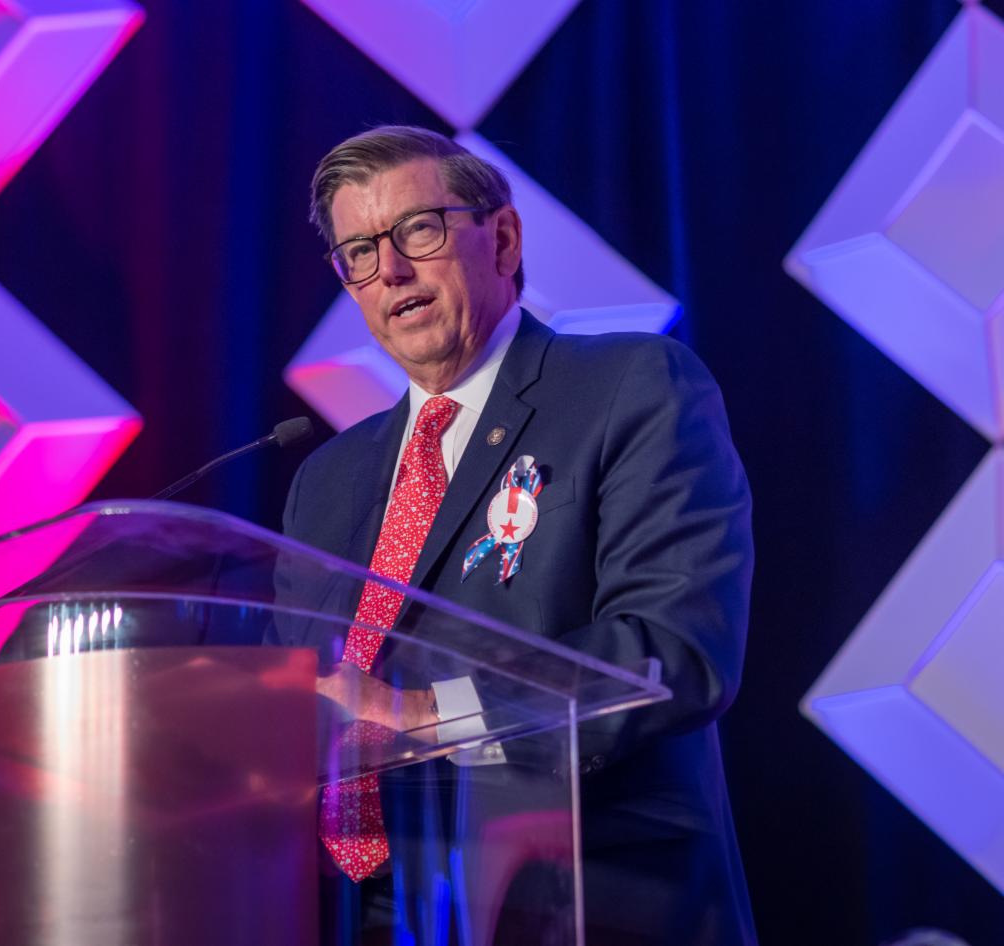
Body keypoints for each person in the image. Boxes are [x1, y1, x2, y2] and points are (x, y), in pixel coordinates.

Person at [282, 125, 756, 945]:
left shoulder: (629, 386)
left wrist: (422, 713)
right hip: (358, 914)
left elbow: (676, 650)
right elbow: (300, 700)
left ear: (501, 238)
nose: (390, 270)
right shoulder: (325, 479)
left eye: (418, 230)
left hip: (576, 899)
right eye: (359, 251)